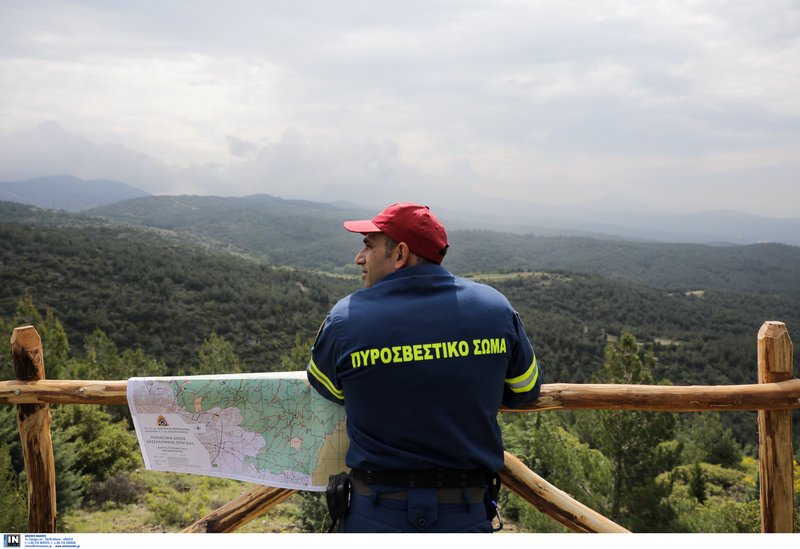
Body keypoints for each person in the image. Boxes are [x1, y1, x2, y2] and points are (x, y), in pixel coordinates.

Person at [306, 202, 542, 533]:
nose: (359, 258)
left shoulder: (345, 319)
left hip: (374, 513)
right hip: (465, 512)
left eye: (368, 245)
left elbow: (327, 387)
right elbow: (525, 389)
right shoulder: (495, 308)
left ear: (400, 254)